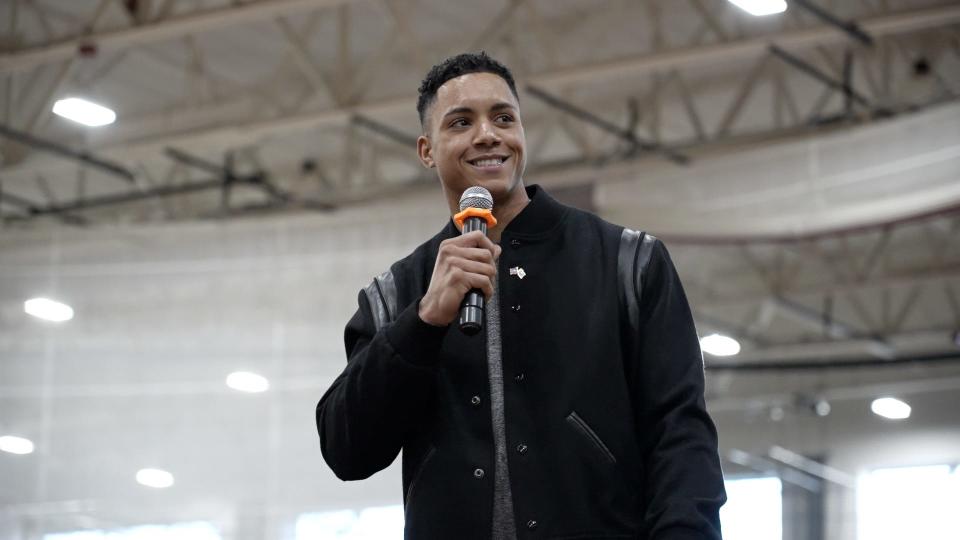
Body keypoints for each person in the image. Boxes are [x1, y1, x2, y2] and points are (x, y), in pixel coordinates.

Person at [316, 52, 726, 540]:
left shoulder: (627, 262)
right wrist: (423, 322)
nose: (488, 134)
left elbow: (680, 433)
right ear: (427, 150)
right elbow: (347, 450)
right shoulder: (396, 294)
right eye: (462, 122)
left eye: (503, 118)